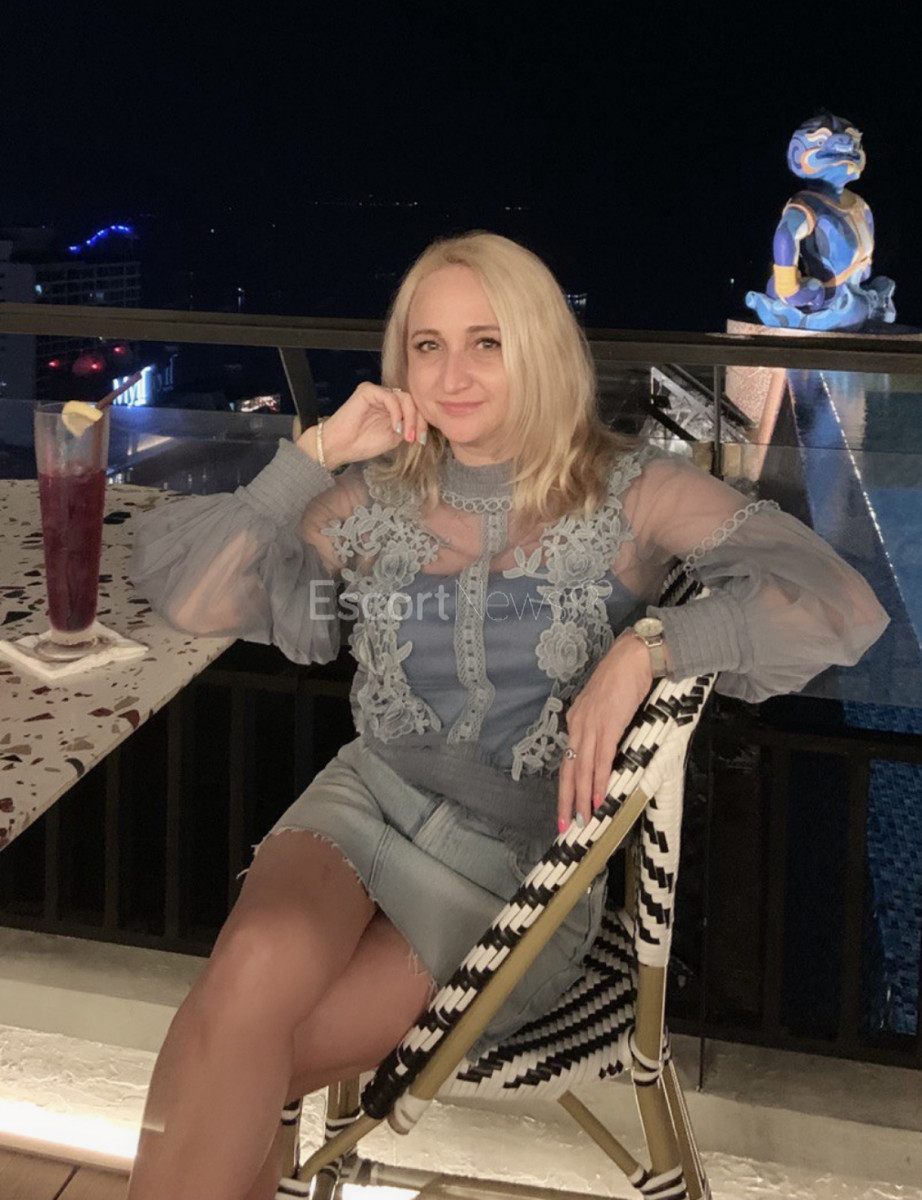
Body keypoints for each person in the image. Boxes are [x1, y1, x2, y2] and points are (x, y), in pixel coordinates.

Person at [127, 232, 888, 1200]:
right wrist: (317, 451)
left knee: (230, 1054)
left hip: (518, 872)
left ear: (539, 347)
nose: (453, 375)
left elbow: (837, 601)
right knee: (247, 976)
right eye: (427, 346)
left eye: (486, 342)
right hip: (364, 800)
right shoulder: (368, 497)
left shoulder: (631, 493)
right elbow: (191, 592)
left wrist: (647, 648)